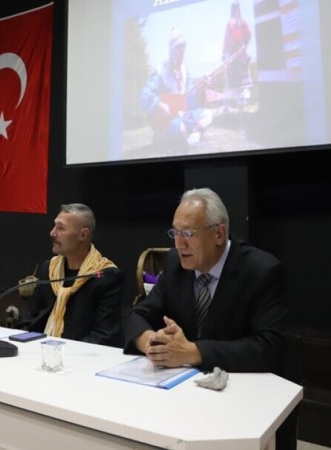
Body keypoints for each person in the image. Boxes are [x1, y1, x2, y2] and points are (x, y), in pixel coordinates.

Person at [123, 187, 294, 449]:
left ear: (219, 234)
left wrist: (193, 352)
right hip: (189, 401)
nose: (179, 244)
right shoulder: (175, 263)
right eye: (175, 233)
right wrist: (153, 343)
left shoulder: (262, 271)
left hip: (247, 403)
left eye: (188, 233)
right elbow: (138, 314)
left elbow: (270, 347)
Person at [20, 204, 125, 347]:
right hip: (43, 351)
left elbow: (104, 336)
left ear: (83, 235)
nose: (52, 233)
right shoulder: (49, 269)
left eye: (61, 228)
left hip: (83, 356)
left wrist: (63, 352)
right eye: (54, 226)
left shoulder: (106, 276)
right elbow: (30, 318)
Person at [140, 27, 213, 149]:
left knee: (207, 114)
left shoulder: (185, 72)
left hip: (184, 116)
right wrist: (159, 104)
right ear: (171, 51)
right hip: (167, 120)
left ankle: (194, 134)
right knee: (180, 128)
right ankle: (169, 136)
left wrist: (200, 90)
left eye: (182, 51)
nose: (180, 55)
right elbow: (144, 96)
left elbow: (190, 101)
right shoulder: (160, 71)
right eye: (177, 51)